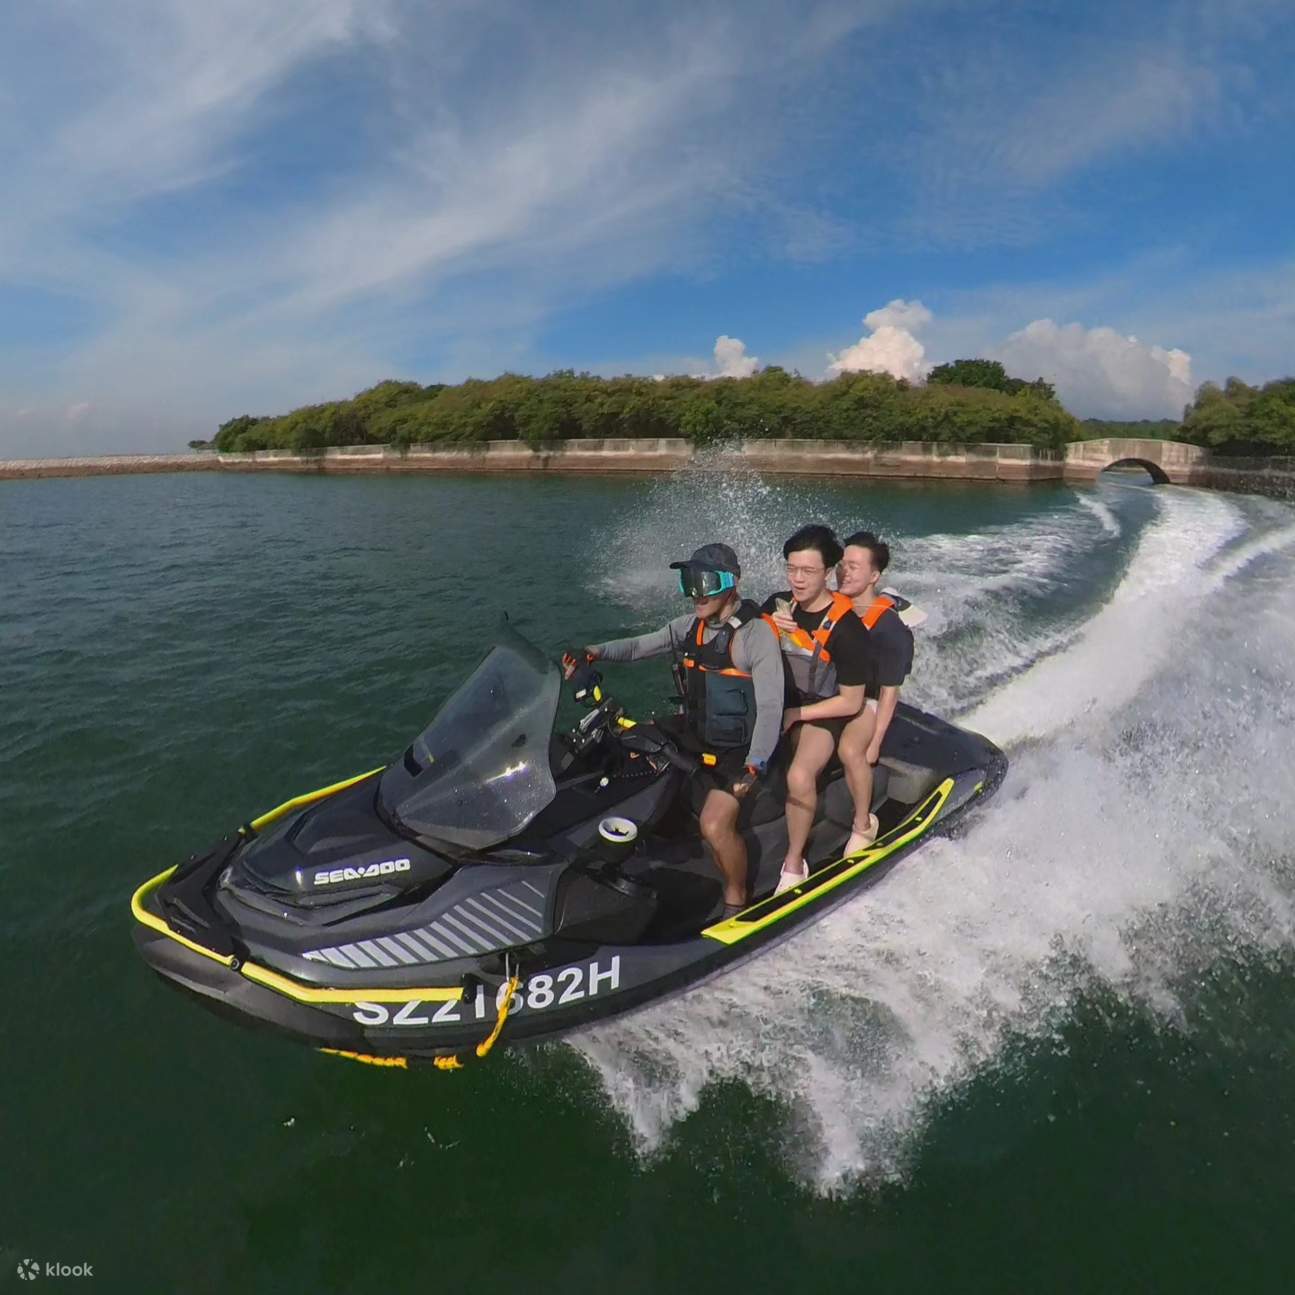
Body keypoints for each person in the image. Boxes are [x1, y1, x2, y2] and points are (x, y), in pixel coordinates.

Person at [564, 543, 784, 914]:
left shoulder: (755, 635)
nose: (695, 593)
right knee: (622, 750)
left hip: (738, 751)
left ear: (732, 583)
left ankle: (736, 900)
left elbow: (770, 705)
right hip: (694, 733)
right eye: (688, 582)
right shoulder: (688, 628)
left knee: (715, 825)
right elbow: (637, 647)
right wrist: (593, 652)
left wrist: (755, 764)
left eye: (705, 581)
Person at [761, 525, 872, 894]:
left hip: (827, 711)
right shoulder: (777, 605)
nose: (797, 579)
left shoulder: (848, 629)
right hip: (782, 702)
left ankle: (795, 862)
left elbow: (852, 701)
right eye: (792, 569)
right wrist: (766, 628)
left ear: (828, 572)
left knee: (798, 775)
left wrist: (796, 716)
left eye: (807, 572)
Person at [834, 530, 915, 854]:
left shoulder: (889, 629)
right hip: (834, 693)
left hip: (865, 700)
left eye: (854, 566)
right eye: (842, 565)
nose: (844, 571)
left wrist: (875, 743)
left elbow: (889, 691)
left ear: (874, 575)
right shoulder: (833, 608)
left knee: (851, 751)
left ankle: (863, 824)